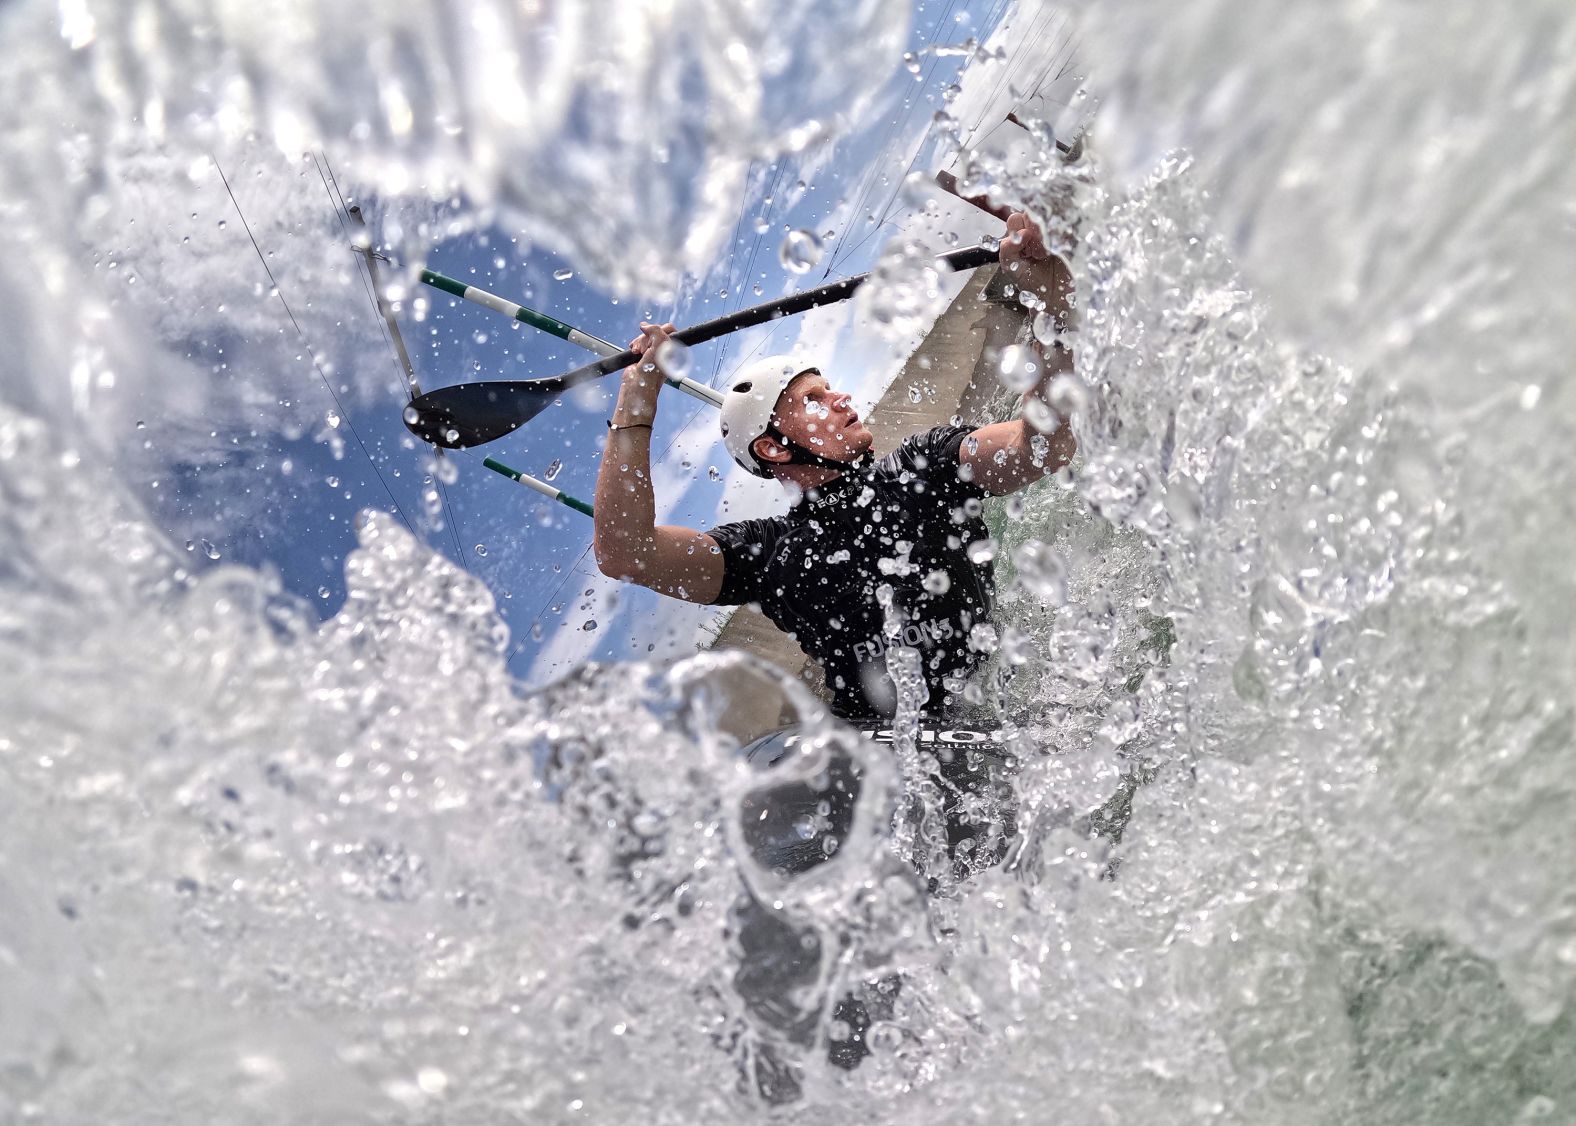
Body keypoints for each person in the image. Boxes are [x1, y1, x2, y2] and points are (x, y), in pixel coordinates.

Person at [592, 211, 1077, 722]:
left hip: (988, 708)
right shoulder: (768, 556)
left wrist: (1050, 307)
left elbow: (1042, 444)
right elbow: (627, 553)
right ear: (774, 449)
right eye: (814, 399)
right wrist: (638, 397)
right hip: (873, 747)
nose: (842, 398)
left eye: (829, 387)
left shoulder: (926, 465)